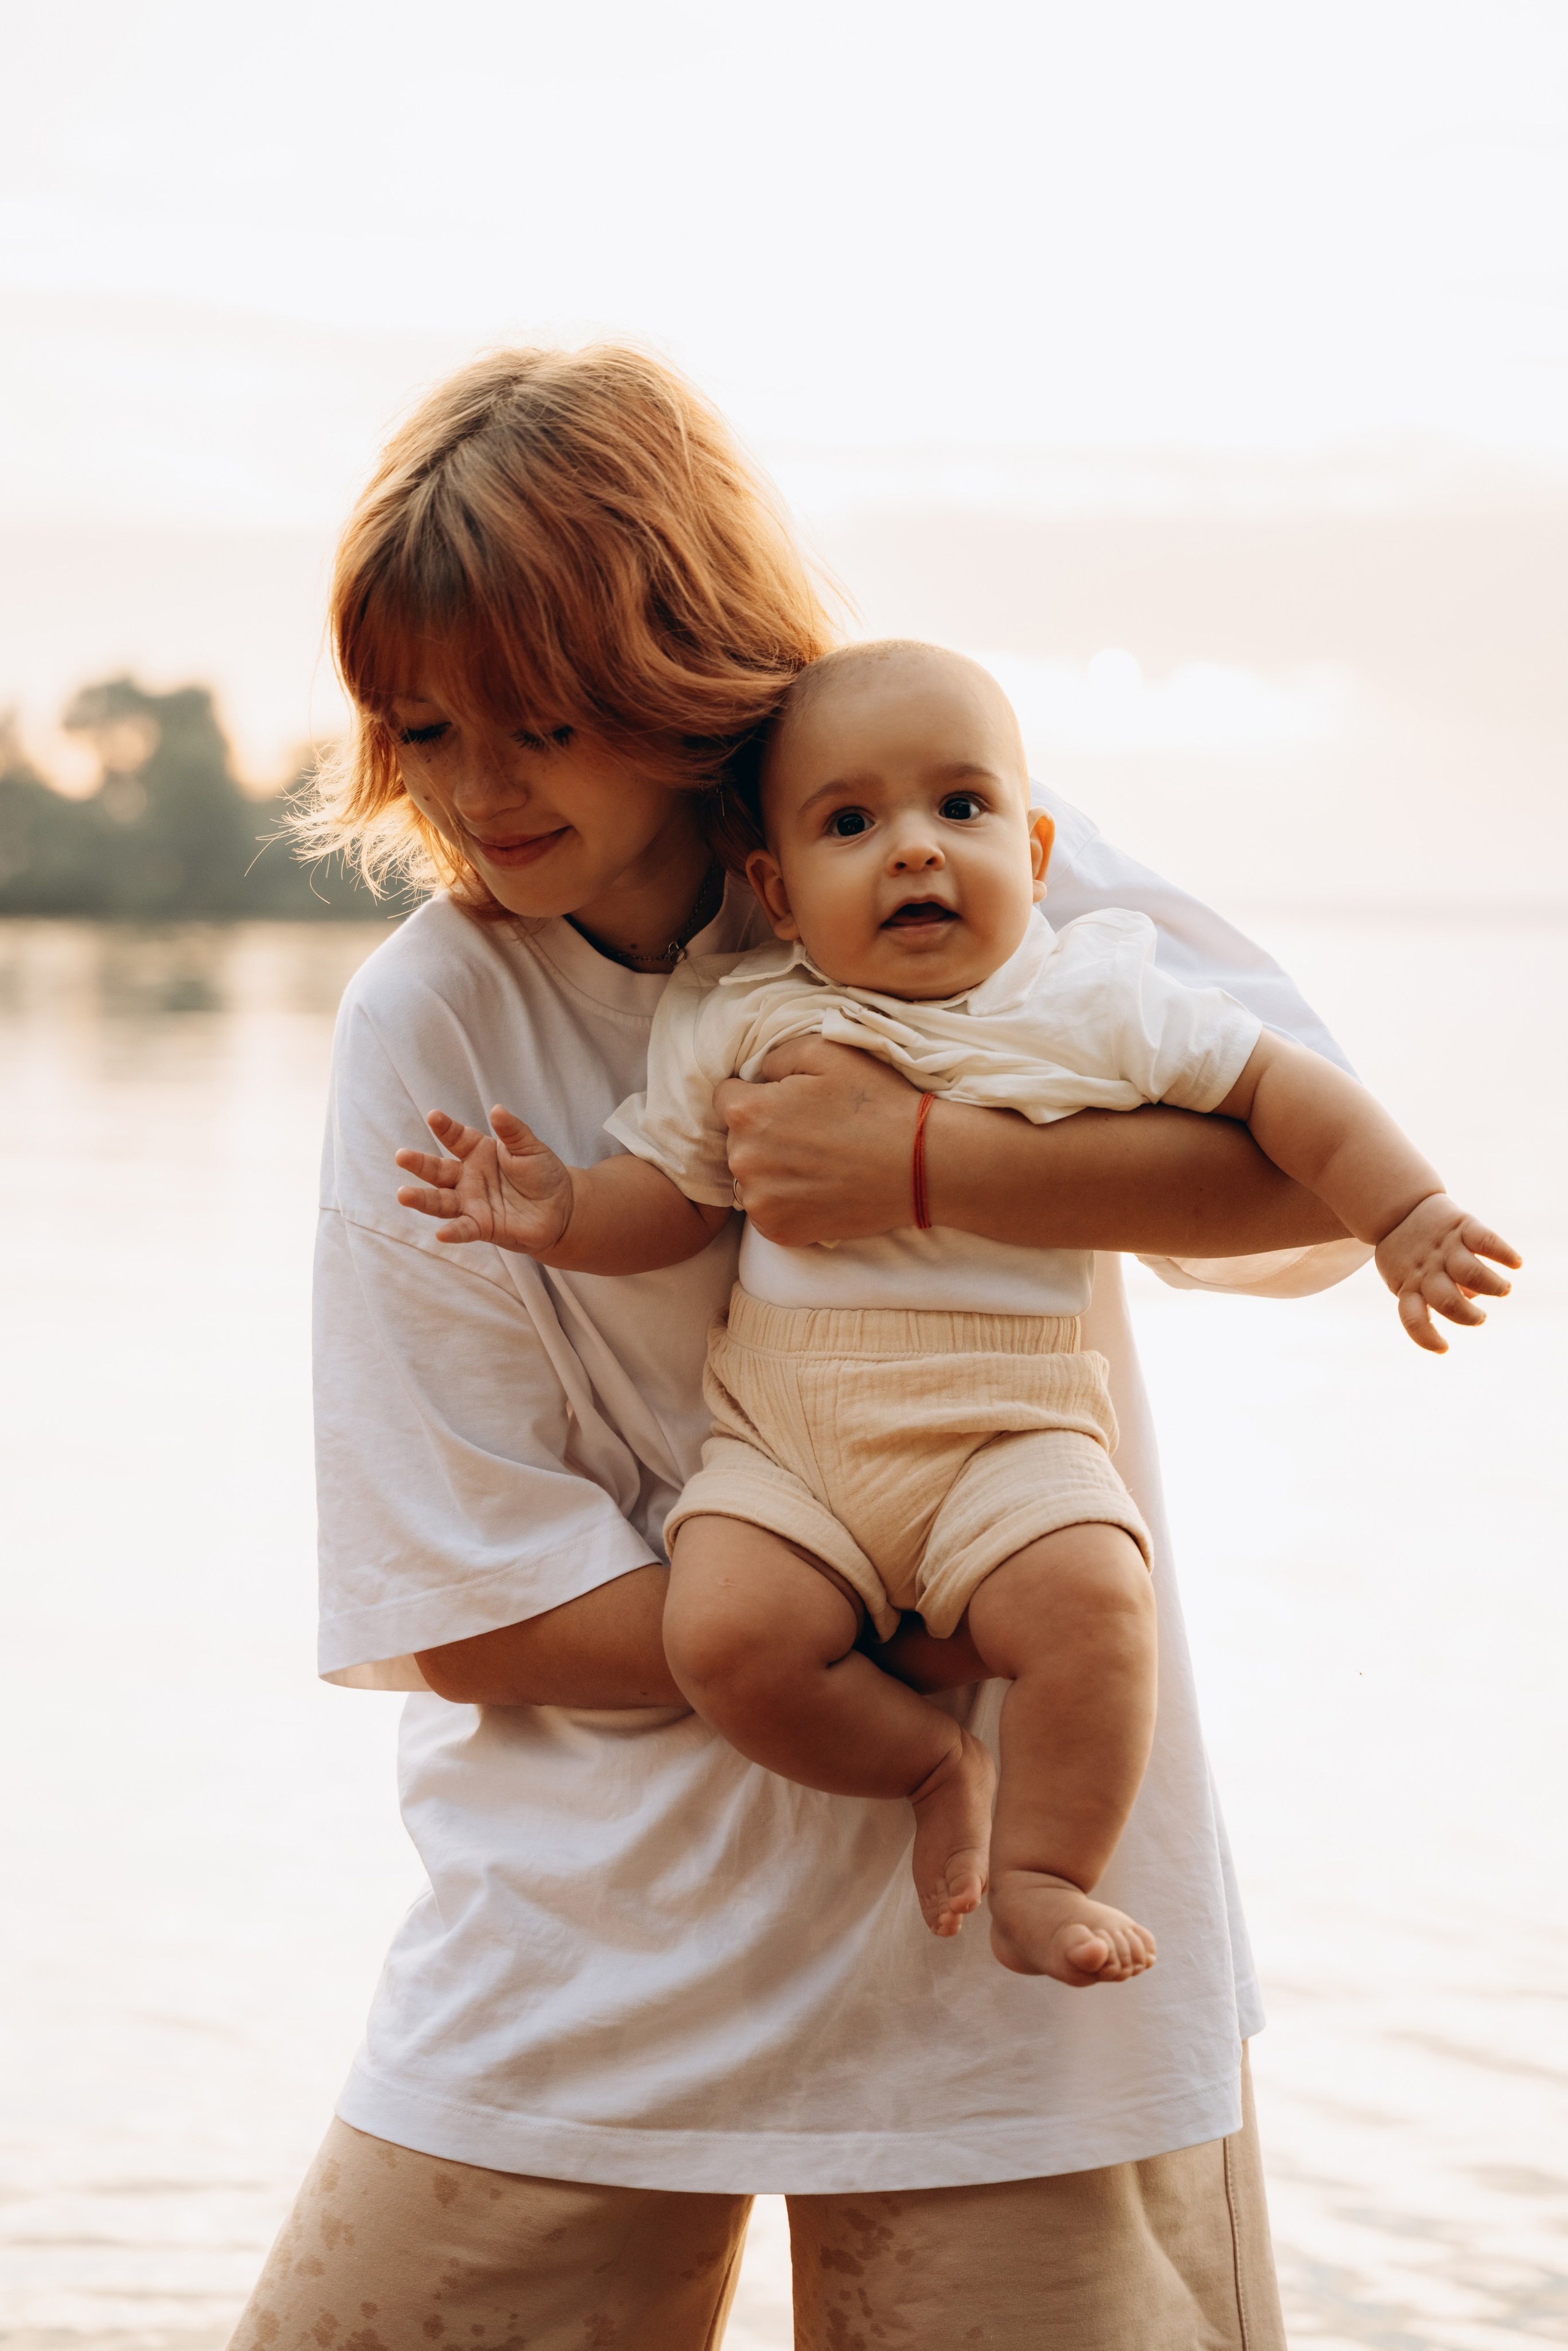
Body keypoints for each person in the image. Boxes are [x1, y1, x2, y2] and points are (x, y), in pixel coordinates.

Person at [233, 344, 1374, 2349]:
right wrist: (869, 1626)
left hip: (1024, 1936)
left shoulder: (963, 842)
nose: (484, 791)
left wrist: (932, 1154)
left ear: (686, 672)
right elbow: (461, 1591)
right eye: (427, 728)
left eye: (546, 721)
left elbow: (1319, 1191)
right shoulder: (434, 1025)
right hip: (590, 1943)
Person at [393, 638, 1516, 1994]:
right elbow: (678, 1193)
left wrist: (1405, 1214)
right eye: (851, 824)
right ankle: (929, 1758)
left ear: (1034, 852)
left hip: (1011, 1432)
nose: (914, 850)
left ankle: (1041, 1870)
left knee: (1099, 1606)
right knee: (725, 1636)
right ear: (778, 894)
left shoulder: (1086, 998)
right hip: (792, 1451)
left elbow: (1283, 1092)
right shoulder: (745, 1012)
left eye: (961, 809)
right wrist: (560, 1211)